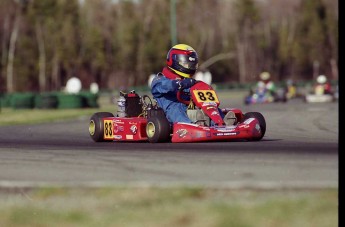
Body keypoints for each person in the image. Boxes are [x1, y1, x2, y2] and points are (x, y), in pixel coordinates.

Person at [150, 44, 235, 125]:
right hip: (170, 112)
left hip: (191, 108)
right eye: (187, 64)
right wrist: (179, 84)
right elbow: (167, 85)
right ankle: (194, 125)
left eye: (192, 64)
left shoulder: (189, 81)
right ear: (176, 61)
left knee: (208, 106)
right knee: (177, 110)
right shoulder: (160, 79)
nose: (190, 66)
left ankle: (222, 122)